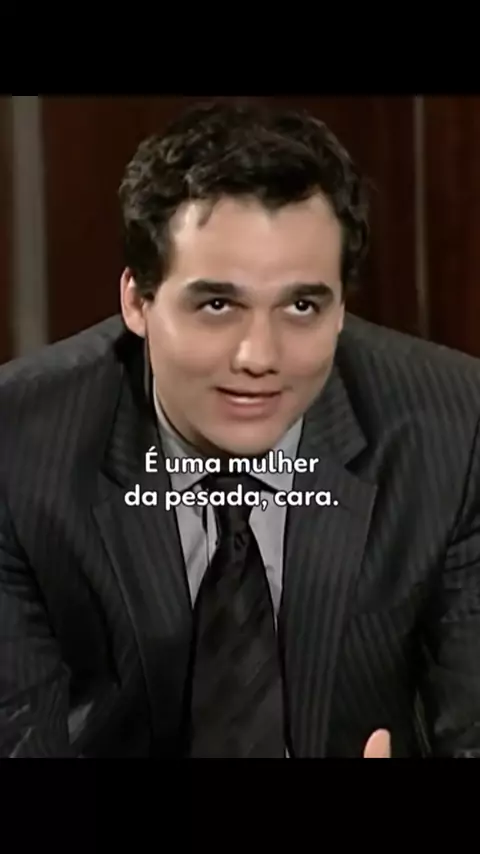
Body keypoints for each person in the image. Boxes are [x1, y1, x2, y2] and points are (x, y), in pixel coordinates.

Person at [1, 100, 479, 760]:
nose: (259, 356)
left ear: (342, 308)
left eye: (302, 305)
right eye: (218, 304)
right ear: (137, 301)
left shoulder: (454, 428)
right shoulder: (18, 448)